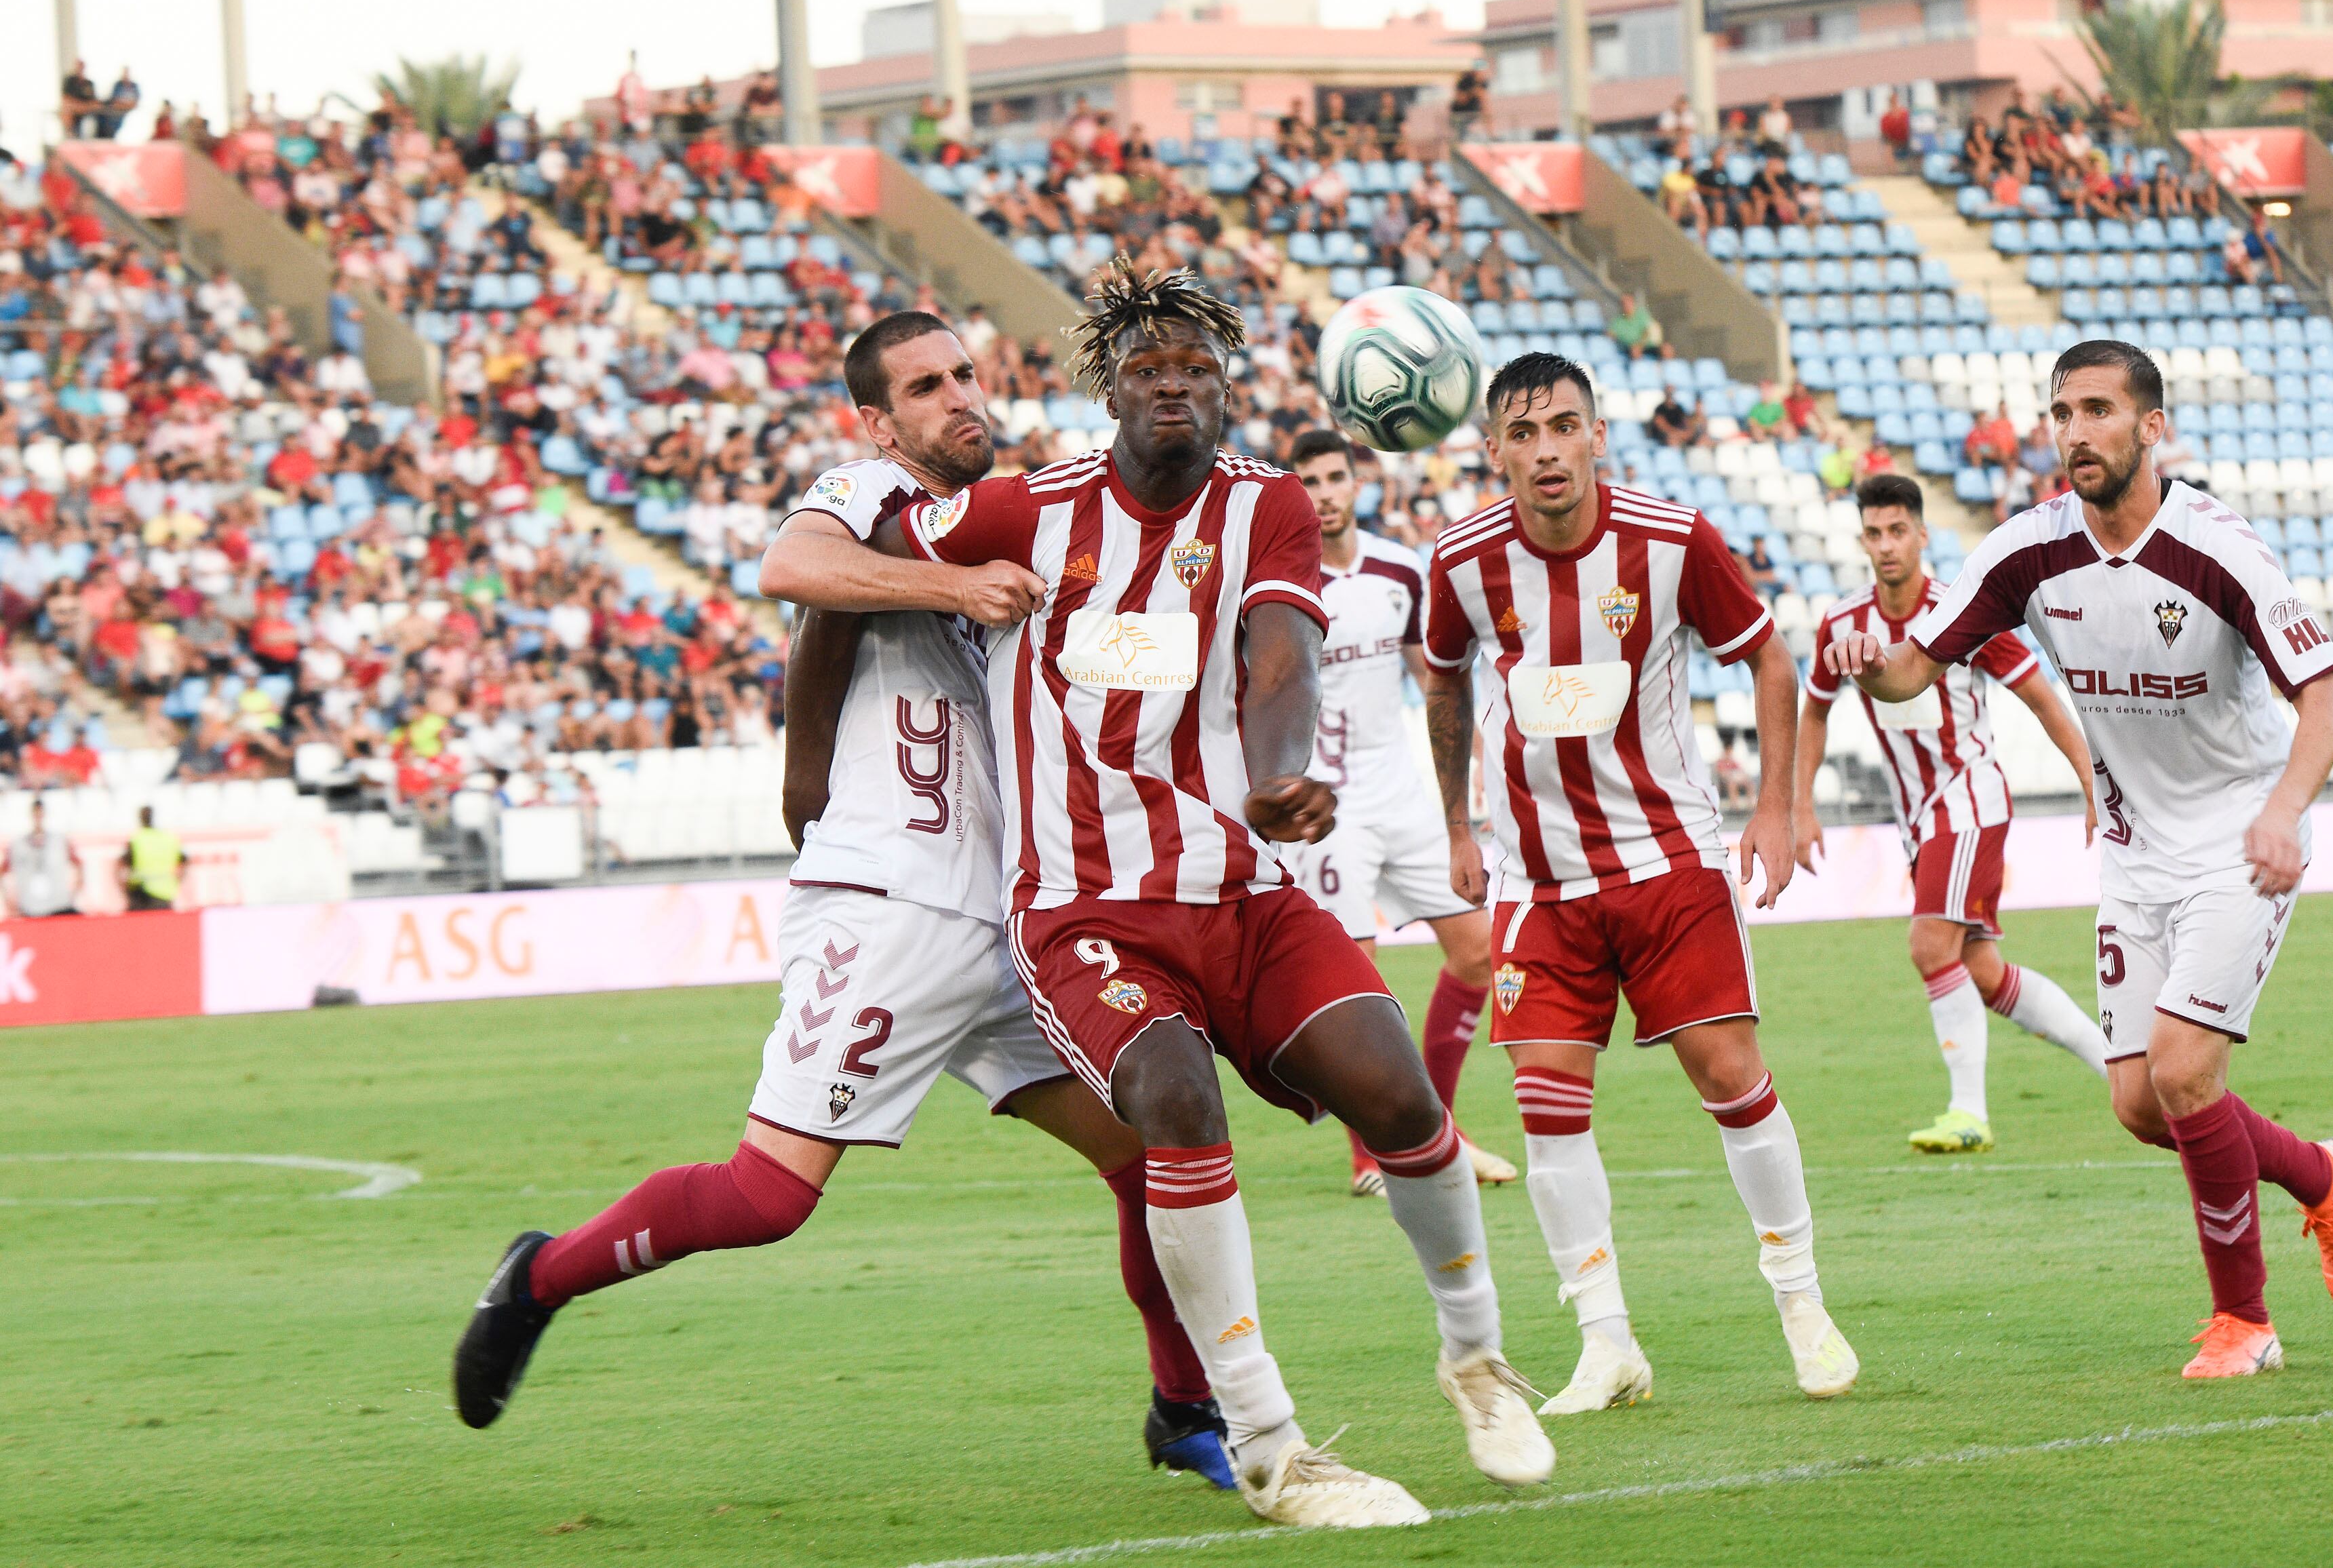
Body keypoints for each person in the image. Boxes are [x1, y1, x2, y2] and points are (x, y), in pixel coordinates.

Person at [451, 311, 1236, 1495]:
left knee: (1151, 1148)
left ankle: (1183, 1406)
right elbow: (793, 571)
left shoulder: (997, 518)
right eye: (926, 387)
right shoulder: (874, 490)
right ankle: (538, 1276)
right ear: (879, 421)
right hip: (893, 904)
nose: (960, 398)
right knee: (767, 1197)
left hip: (1008, 916)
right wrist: (951, 589)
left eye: (968, 373)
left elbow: (833, 634)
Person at [874, 263, 1554, 1525]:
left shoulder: (1271, 505)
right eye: (1148, 369)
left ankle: (1477, 1358)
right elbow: (825, 556)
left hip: (1242, 886)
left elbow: (1282, 651)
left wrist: (1285, 771)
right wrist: (932, 600)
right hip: (1085, 906)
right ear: (1110, 389)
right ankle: (1270, 1444)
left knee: (1399, 1087)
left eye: (1197, 366)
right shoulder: (1025, 509)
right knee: (1177, 1100)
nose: (1174, 384)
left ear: (1227, 384)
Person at [1822, 339, 2333, 1379]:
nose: (2075, 431)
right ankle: (2319, 1176)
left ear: (2152, 427)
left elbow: (2325, 698)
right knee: (2139, 1104)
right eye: (2062, 412)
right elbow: (1907, 672)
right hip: (2132, 848)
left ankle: (2244, 1321)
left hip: (2236, 842)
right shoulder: (2027, 549)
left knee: (2183, 1071)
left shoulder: (2218, 547)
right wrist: (1862, 667)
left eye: (2099, 410)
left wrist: (2287, 812)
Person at [1419, 350, 1859, 1415]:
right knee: (1546, 1106)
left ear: (1598, 433)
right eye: (1522, 436)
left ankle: (1801, 1300)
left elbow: (1764, 655)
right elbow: (1441, 675)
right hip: (1540, 880)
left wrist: (1776, 803)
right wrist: (1455, 824)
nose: (1546, 450)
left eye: (1564, 426)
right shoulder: (1464, 558)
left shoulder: (1670, 539)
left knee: (1726, 1070)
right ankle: (1605, 1339)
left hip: (1669, 862)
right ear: (1495, 452)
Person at [1797, 475, 2111, 1152]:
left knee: (1928, 946)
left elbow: (2042, 698)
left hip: (1969, 799)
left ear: (1920, 535)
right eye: (1874, 533)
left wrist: (2092, 784)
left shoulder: (1957, 611)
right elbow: (1814, 710)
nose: (1885, 546)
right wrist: (1800, 806)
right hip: (1918, 818)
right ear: (1862, 541)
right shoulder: (1843, 624)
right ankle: (2117, 1062)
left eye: (1897, 531)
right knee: (1981, 969)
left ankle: (1968, 1111)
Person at [1280, 431, 1516, 1196]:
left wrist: (1477, 765)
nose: (1324, 493)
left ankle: (1432, 1128)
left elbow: (1436, 680)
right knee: (1357, 984)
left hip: (1403, 793)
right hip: (1327, 805)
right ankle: (1368, 1154)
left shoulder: (1399, 570)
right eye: (1309, 481)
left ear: (1358, 481)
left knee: (1479, 951)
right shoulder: (1285, 580)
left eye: (1334, 477)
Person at [7, 800, 77, 918]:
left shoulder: (59, 841)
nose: (38, 817)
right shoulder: (18, 844)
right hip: (30, 907)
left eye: (40, 814)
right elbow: (4, 870)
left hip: (58, 905)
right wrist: (9, 899)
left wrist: (73, 892)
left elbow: (78, 864)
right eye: (36, 814)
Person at [123, 806, 185, 911]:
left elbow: (123, 864)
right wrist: (178, 881)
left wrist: (124, 888)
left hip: (141, 895)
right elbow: (185, 861)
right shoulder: (169, 838)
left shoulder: (138, 838)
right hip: (165, 894)